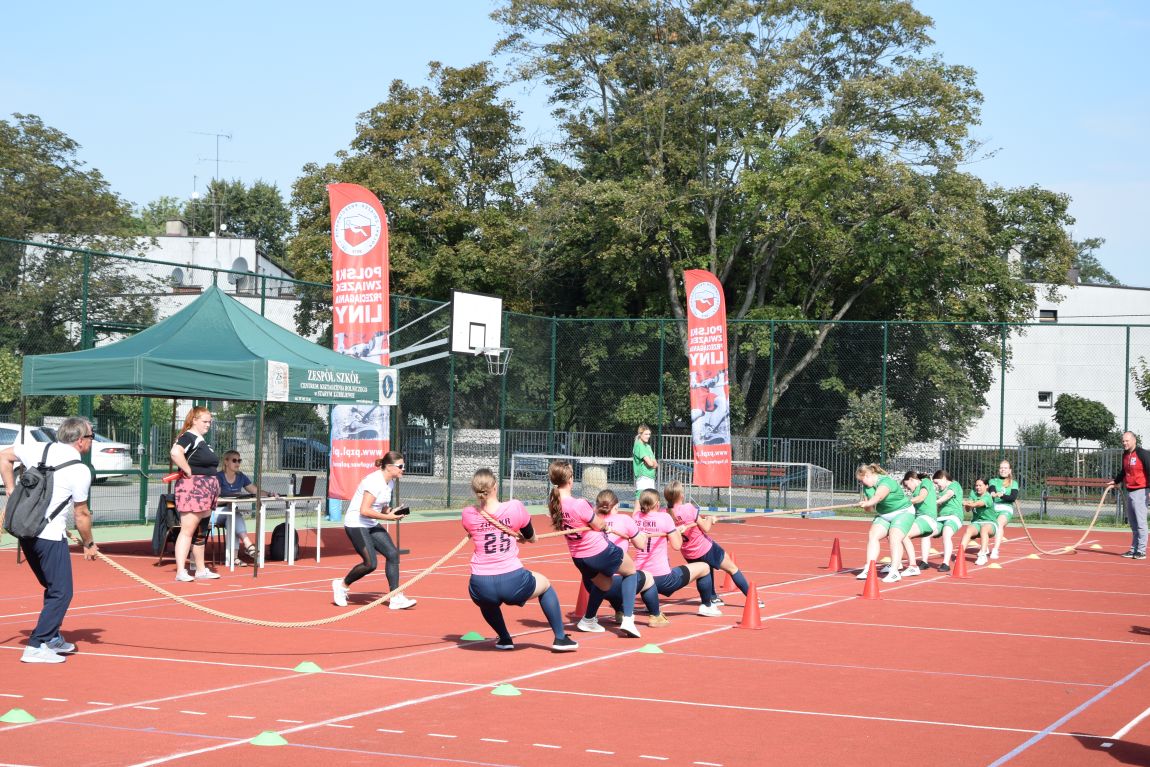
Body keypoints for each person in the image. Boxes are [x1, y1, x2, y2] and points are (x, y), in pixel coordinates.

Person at [0, 418, 96, 664]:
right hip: (50, 536)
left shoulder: (38, 449)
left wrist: (11, 490)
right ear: (80, 440)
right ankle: (37, 644)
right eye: (91, 437)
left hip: (26, 532)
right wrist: (88, 543)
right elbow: (82, 514)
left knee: (53, 587)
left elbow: (4, 456)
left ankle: (51, 636)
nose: (91, 441)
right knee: (61, 592)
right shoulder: (80, 470)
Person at [461, 468, 577, 652]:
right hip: (512, 580)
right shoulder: (514, 507)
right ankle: (560, 638)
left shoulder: (468, 514)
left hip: (481, 583)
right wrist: (526, 537)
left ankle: (505, 638)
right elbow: (530, 536)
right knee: (545, 585)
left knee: (486, 601)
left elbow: (477, 528)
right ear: (495, 486)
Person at [548, 459, 642, 638]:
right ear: (570, 479)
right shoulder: (579, 503)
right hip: (598, 550)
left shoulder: (554, 503)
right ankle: (628, 619)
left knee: (604, 583)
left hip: (579, 557)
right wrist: (604, 526)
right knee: (631, 571)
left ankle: (589, 619)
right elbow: (598, 524)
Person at [332, 451, 417, 609]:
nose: (403, 469)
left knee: (392, 554)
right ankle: (341, 585)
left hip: (370, 523)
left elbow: (381, 507)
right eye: (400, 466)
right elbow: (364, 510)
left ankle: (395, 597)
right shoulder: (373, 481)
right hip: (356, 523)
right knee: (370, 564)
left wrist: (391, 511)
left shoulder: (390, 482)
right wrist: (388, 518)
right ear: (389, 467)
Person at [632, 488, 721, 624]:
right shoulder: (664, 518)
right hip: (662, 579)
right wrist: (677, 532)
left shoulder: (635, 517)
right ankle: (707, 606)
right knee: (704, 567)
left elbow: (637, 510)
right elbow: (677, 545)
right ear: (657, 504)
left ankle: (647, 604)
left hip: (640, 577)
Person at [664, 480, 747, 613]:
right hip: (705, 548)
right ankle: (752, 598)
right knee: (732, 568)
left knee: (704, 571)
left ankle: (712, 597)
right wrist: (710, 519)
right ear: (680, 495)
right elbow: (706, 528)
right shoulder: (688, 508)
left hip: (689, 553)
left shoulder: (666, 514)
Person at [169, 407, 221, 582]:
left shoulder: (201, 441)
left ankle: (200, 570)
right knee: (188, 531)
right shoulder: (188, 437)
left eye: (209, 422)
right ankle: (181, 571)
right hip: (193, 490)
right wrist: (188, 470)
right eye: (205, 421)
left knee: (201, 532)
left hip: (206, 490)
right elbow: (175, 452)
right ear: (194, 420)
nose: (208, 425)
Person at [214, 450, 280, 566]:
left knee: (233, 517)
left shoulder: (241, 477)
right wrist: (228, 499)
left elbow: (254, 490)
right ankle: (248, 544)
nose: (237, 463)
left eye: (239, 460)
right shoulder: (218, 477)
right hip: (215, 512)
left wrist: (269, 494)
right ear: (226, 462)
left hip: (231, 513)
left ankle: (234, 558)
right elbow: (213, 500)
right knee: (234, 514)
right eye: (234, 460)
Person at [855, 463, 916, 583]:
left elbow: (879, 497)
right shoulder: (867, 487)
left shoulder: (886, 482)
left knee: (894, 537)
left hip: (903, 512)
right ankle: (869, 568)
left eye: (861, 481)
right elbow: (870, 508)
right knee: (873, 535)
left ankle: (894, 572)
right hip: (884, 514)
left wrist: (869, 502)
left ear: (867, 475)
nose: (861, 484)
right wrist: (865, 505)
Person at [1108, 431, 1150, 560]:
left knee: (1141, 523)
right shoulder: (1125, 454)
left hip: (1141, 491)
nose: (1124, 443)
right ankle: (1133, 549)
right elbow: (1124, 471)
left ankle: (1141, 551)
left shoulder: (1142, 454)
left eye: (1127, 440)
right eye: (1123, 441)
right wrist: (1116, 481)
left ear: (1134, 440)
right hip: (1130, 491)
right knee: (1133, 523)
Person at [901, 471, 938, 569]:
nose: (907, 488)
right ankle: (896, 564)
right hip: (920, 519)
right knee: (896, 533)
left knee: (903, 534)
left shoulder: (925, 482)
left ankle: (913, 566)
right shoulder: (915, 492)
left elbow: (921, 497)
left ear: (911, 479)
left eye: (907, 485)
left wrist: (903, 503)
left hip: (928, 518)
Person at [957, 477, 998, 566]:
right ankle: (960, 554)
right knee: (968, 530)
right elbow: (968, 509)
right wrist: (966, 504)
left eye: (980, 485)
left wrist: (967, 503)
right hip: (977, 522)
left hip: (990, 523)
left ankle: (983, 555)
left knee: (984, 529)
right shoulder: (973, 493)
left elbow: (978, 504)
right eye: (976, 485)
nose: (978, 487)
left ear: (986, 486)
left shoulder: (988, 497)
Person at [931, 470, 964, 572]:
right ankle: (923, 562)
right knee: (926, 533)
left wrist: (936, 502)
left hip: (954, 516)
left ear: (944, 478)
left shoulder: (954, 485)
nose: (936, 486)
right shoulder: (940, 491)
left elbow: (948, 495)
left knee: (946, 534)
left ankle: (945, 563)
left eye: (937, 483)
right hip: (941, 518)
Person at [987, 460, 1019, 561]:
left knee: (999, 524)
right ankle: (985, 547)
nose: (1003, 470)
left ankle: (995, 550)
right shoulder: (993, 480)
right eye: (1001, 468)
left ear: (1009, 470)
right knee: (986, 527)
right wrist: (993, 493)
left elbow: (1013, 497)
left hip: (1006, 508)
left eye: (1005, 468)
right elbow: (992, 489)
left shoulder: (1014, 483)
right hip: (993, 507)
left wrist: (1002, 495)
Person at [632, 424, 658, 500]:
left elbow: (655, 464)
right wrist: (651, 464)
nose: (648, 436)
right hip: (643, 478)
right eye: (646, 434)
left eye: (649, 434)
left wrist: (651, 464)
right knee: (639, 502)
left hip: (651, 477)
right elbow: (650, 463)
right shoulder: (639, 446)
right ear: (640, 434)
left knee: (650, 502)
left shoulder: (648, 446)